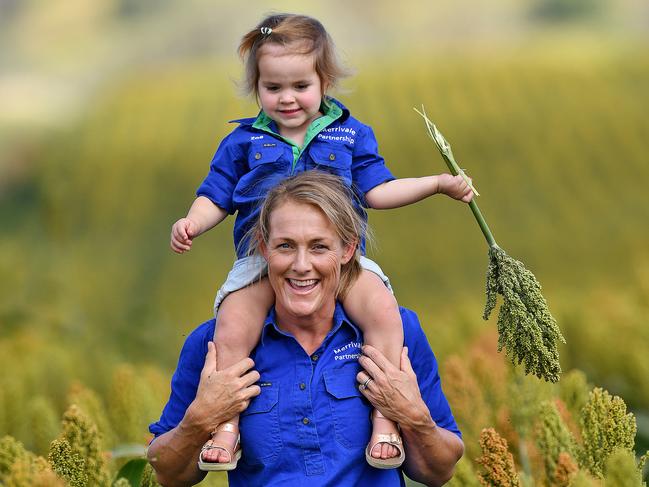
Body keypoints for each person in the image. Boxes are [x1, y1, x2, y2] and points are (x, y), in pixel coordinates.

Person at [169, 13, 473, 470]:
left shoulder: (350, 135)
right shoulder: (242, 141)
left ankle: (387, 421)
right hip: (259, 262)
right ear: (257, 88)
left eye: (299, 86)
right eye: (273, 88)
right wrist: (191, 223)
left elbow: (376, 191)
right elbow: (215, 194)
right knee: (231, 326)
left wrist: (436, 183)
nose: (287, 98)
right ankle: (225, 427)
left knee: (385, 315)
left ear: (324, 81)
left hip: (344, 266)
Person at [150, 171, 464, 486]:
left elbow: (439, 471)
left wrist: (415, 418)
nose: (301, 265)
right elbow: (167, 472)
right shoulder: (216, 343)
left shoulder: (397, 332)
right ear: (264, 248)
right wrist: (198, 420)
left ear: (347, 249)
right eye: (285, 246)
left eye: (318, 247)